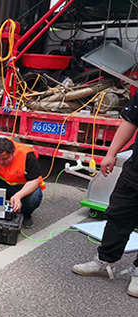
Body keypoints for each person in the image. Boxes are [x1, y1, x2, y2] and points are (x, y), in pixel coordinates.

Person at [73, 93, 138, 298]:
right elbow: (131, 121)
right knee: (118, 213)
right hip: (136, 169)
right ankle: (105, 261)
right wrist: (111, 154)